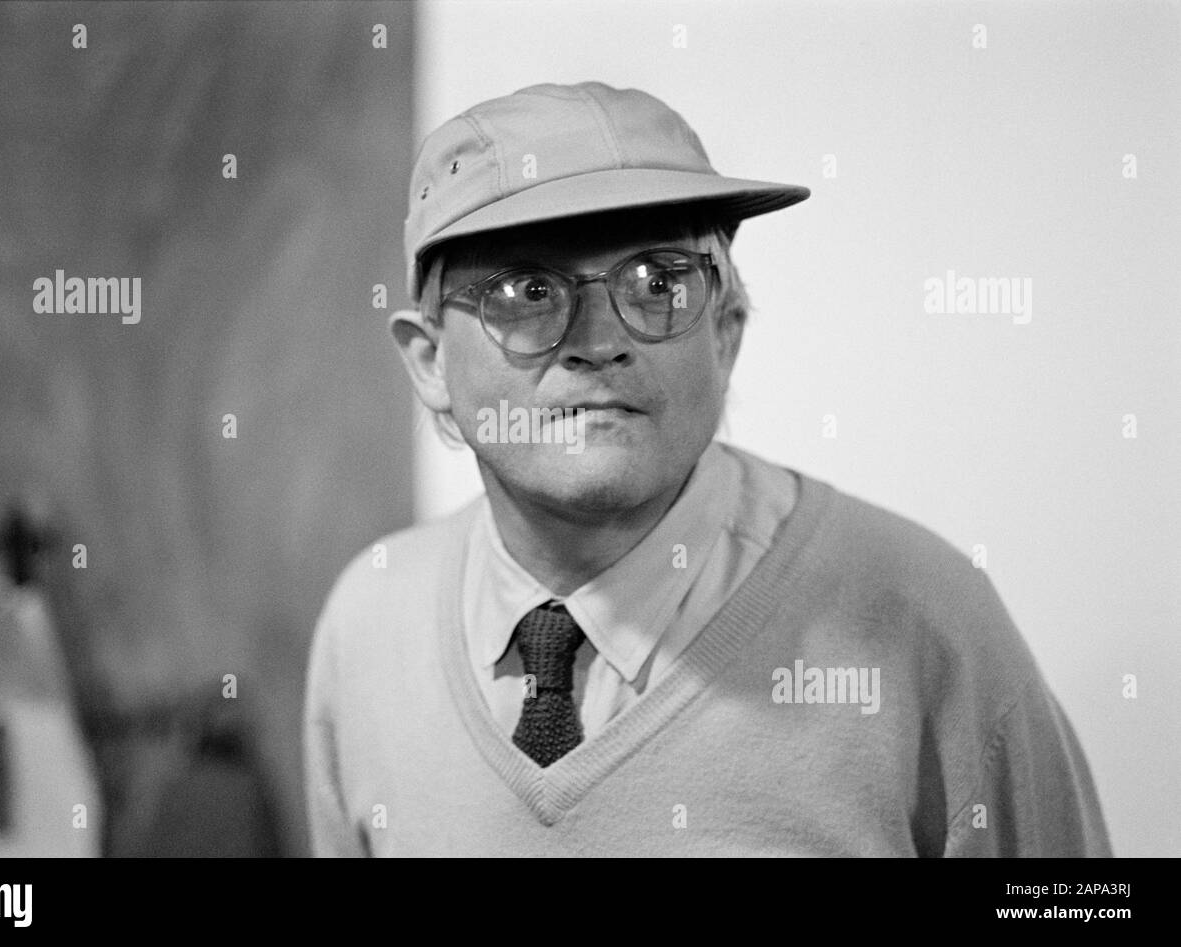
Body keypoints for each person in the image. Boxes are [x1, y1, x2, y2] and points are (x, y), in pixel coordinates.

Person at [303, 81, 1112, 857]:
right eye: (527, 289)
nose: (597, 339)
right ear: (430, 360)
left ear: (725, 331)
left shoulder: (923, 623)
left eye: (657, 282)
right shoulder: (369, 626)